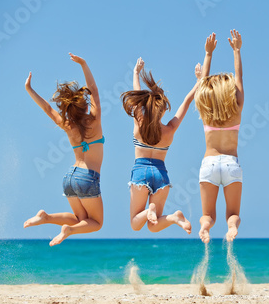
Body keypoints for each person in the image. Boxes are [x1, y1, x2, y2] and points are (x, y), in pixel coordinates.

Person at [24, 53, 104, 246]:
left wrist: (29, 89)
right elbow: (93, 90)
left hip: (70, 177)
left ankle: (46, 217)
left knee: (81, 220)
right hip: (87, 176)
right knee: (97, 223)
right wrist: (84, 64)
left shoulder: (68, 125)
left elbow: (48, 109)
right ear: (85, 106)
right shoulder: (94, 120)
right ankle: (68, 230)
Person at [121, 57, 199, 234]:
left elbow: (137, 96)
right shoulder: (169, 129)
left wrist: (135, 73)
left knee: (135, 224)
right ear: (164, 110)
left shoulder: (139, 123)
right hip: (161, 174)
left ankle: (151, 211)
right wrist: (198, 82)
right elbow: (186, 102)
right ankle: (173, 217)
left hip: (140, 172)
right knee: (153, 227)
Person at [195, 31, 244, 243]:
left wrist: (208, 54)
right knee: (232, 214)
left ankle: (205, 227)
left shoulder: (206, 111)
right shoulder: (236, 108)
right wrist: (237, 50)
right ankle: (231, 227)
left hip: (210, 163)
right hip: (231, 164)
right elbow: (239, 78)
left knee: (208, 215)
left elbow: (202, 85)